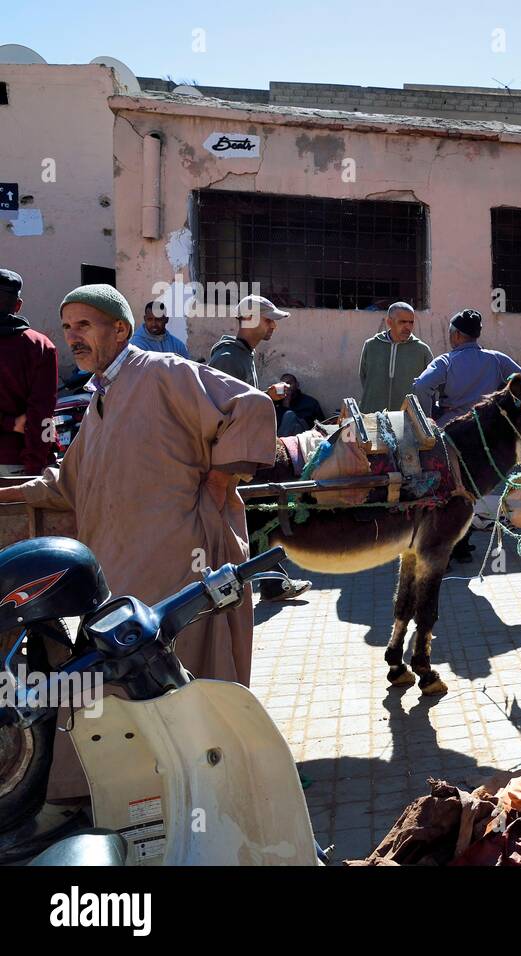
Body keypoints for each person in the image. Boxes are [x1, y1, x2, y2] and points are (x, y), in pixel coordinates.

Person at [0, 284, 276, 799]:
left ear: (120, 329)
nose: (72, 337)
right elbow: (68, 483)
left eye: (84, 325)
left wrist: (220, 481)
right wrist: (10, 491)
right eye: (66, 328)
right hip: (121, 574)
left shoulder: (162, 373)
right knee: (127, 691)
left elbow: (251, 405)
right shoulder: (102, 396)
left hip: (180, 563)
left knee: (183, 686)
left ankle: (209, 794)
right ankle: (142, 795)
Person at [208, 294, 312, 602]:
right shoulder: (228, 357)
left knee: (257, 519)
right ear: (251, 319)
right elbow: (219, 408)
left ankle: (270, 582)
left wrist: (264, 396)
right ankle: (261, 583)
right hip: (231, 458)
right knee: (255, 520)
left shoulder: (243, 354)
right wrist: (265, 397)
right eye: (268, 320)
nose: (273, 328)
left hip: (242, 455)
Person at [412, 308, 521, 562]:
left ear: (458, 335)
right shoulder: (497, 359)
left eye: (452, 333)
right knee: (471, 491)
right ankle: (462, 546)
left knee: (445, 492)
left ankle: (444, 550)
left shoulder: (446, 361)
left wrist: (430, 413)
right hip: (486, 436)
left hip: (451, 434)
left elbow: (421, 385)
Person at [0, 269, 58, 476]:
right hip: (18, 464)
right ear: (17, 305)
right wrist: (35, 468)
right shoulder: (40, 346)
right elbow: (43, 415)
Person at [358, 302, 434, 413]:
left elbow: (431, 384)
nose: (408, 327)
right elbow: (363, 376)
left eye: (411, 322)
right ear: (389, 322)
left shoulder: (422, 350)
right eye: (402, 322)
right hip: (372, 415)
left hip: (408, 418)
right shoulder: (371, 345)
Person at [274, 373, 326, 437]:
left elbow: (322, 424)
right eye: (283, 385)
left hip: (304, 434)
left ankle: (279, 444)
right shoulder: (277, 403)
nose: (286, 387)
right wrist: (285, 403)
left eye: (289, 383)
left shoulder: (310, 402)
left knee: (289, 415)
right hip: (284, 434)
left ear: (297, 385)